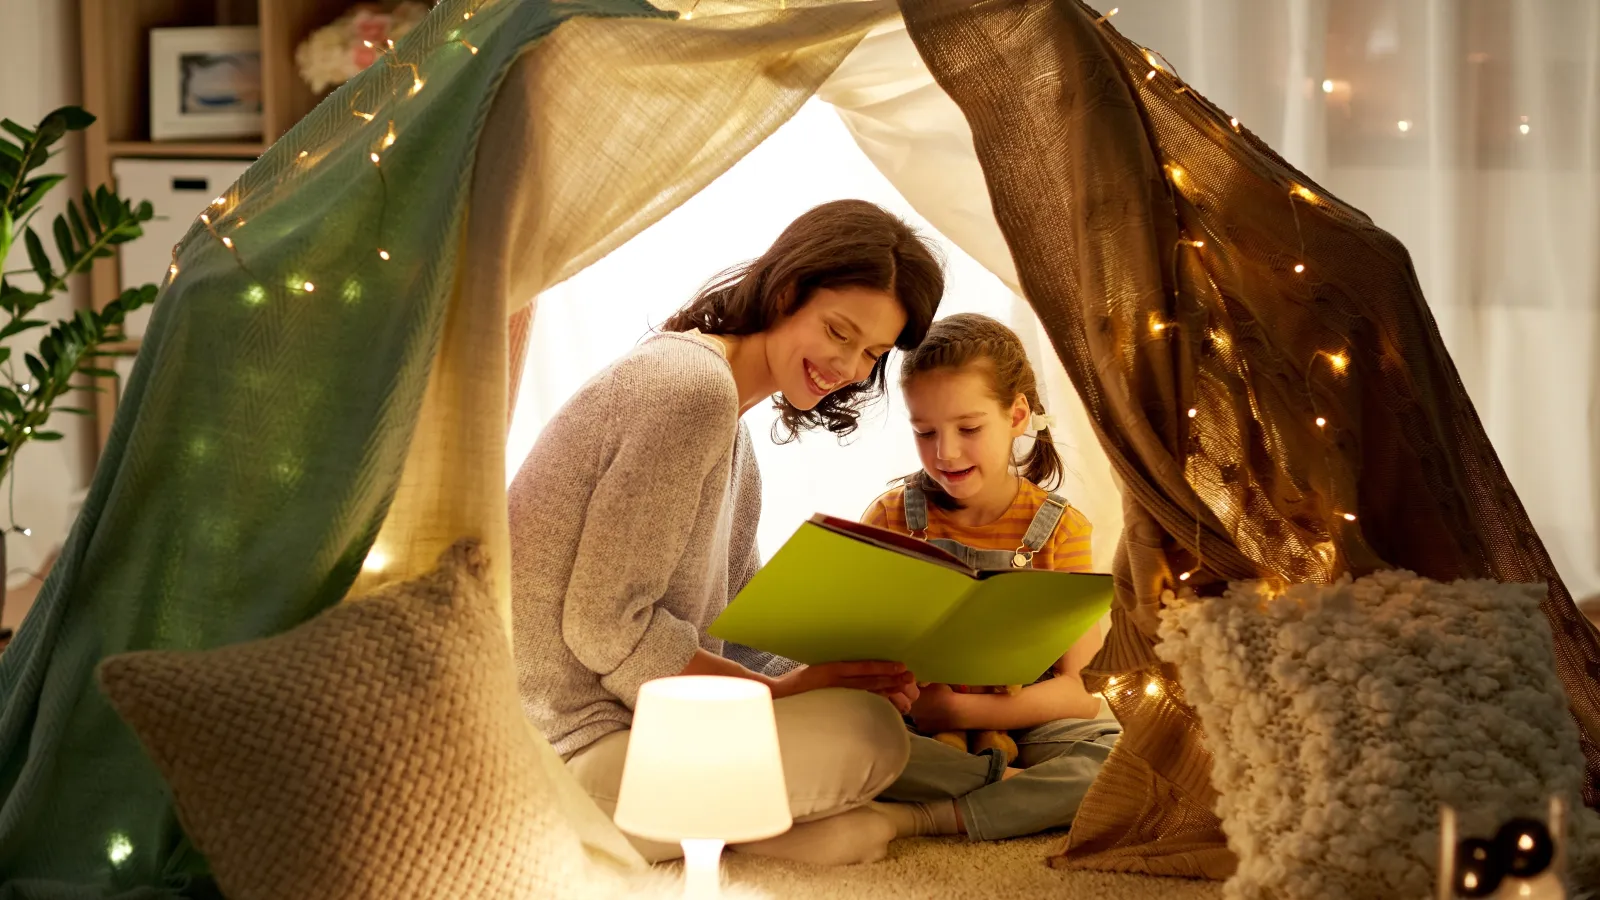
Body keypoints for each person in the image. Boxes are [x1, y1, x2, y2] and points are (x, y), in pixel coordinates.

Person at [508, 200, 945, 865]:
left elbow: (738, 623)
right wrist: (781, 694)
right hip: (564, 751)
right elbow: (603, 626)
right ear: (787, 291)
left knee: (861, 753)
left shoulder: (728, 423)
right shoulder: (690, 392)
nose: (850, 368)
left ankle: (735, 832)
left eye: (872, 353)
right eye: (838, 331)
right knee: (867, 736)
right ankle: (844, 822)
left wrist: (829, 671)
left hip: (632, 731)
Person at [860, 313, 1121, 842]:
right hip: (917, 727)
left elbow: (1078, 691)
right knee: (839, 738)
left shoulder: (1062, 528)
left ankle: (931, 814)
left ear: (1018, 414)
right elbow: (861, 659)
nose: (945, 452)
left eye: (969, 428)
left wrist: (956, 708)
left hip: (1029, 718)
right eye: (924, 432)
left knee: (1122, 760)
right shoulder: (889, 517)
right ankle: (1011, 789)